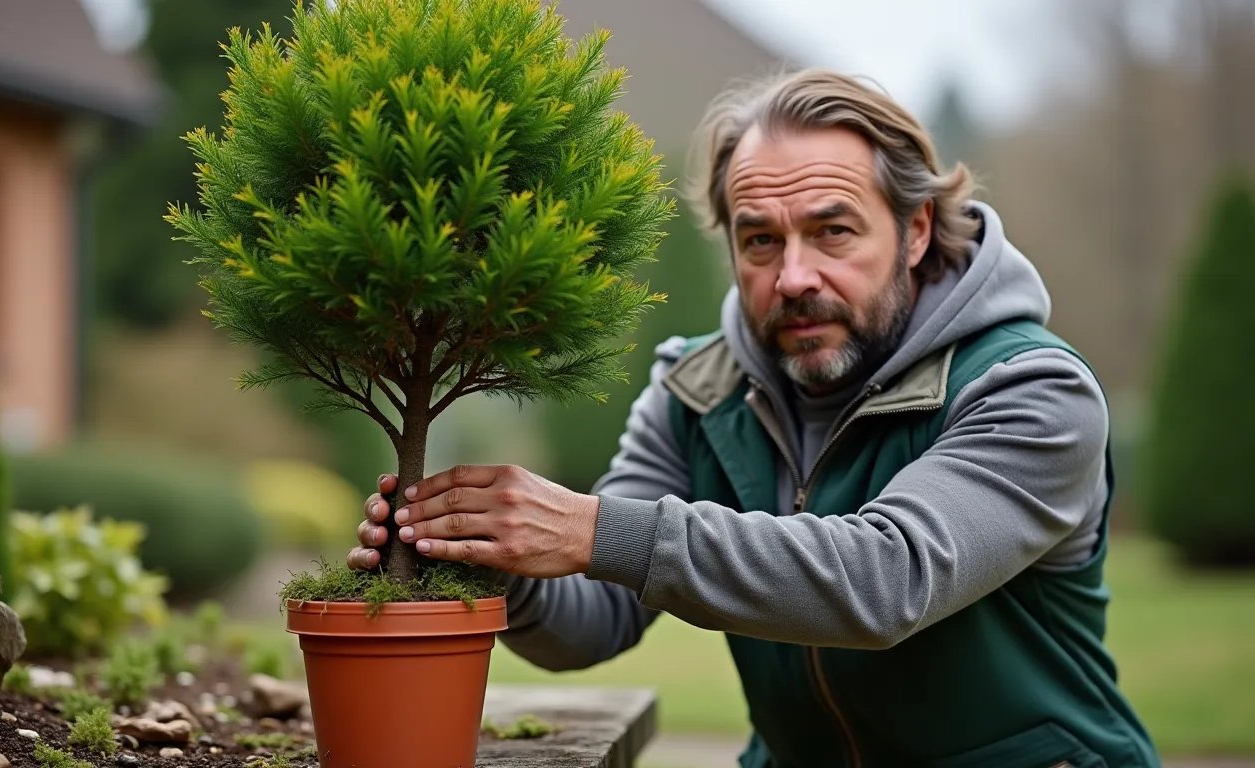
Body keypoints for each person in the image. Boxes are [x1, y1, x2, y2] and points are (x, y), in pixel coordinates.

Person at [347, 69, 1161, 767]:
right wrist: (497, 559)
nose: (794, 274)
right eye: (760, 240)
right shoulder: (696, 390)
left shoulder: (1031, 389)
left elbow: (886, 582)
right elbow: (592, 626)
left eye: (832, 230)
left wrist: (592, 530)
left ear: (915, 230)